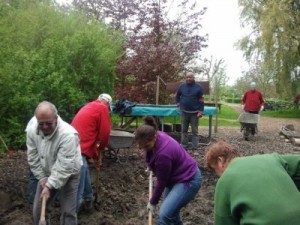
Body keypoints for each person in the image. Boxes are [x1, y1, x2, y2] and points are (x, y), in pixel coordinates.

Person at [205, 140, 300, 225]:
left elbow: (223, 221)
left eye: (214, 170)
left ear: (220, 161)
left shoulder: (224, 180)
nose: (217, 175)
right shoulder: (271, 158)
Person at [135, 116, 202, 225]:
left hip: (188, 179)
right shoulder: (157, 135)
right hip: (176, 176)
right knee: (172, 213)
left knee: (165, 215)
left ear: (155, 137)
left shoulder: (163, 154)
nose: (145, 148)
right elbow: (151, 154)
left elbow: (162, 182)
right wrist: (151, 165)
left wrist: (153, 202)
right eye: (142, 147)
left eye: (146, 145)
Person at [26, 101, 82, 225]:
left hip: (69, 172)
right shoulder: (32, 131)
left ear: (56, 119)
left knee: (68, 212)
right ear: (37, 120)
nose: (45, 127)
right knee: (38, 210)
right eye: (41, 124)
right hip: (46, 172)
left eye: (49, 123)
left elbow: (64, 166)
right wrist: (42, 178)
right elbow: (33, 157)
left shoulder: (68, 135)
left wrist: (49, 185)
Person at [71, 93, 112, 212]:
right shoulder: (102, 108)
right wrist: (101, 148)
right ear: (107, 104)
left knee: (84, 170)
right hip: (79, 147)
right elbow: (104, 133)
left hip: (73, 144)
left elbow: (88, 130)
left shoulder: (89, 106)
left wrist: (94, 154)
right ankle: (72, 214)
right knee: (78, 180)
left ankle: (88, 199)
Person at [175, 71, 204, 151]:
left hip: (194, 113)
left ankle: (195, 148)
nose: (188, 78)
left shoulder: (198, 87)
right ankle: (184, 146)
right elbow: (177, 96)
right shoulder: (182, 86)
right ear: (185, 78)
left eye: (190, 77)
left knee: (195, 131)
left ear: (193, 78)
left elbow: (201, 99)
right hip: (184, 112)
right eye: (187, 77)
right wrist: (178, 103)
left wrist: (200, 111)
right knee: (184, 130)